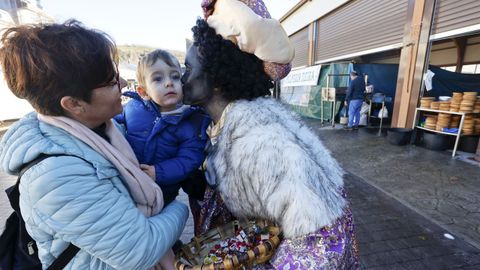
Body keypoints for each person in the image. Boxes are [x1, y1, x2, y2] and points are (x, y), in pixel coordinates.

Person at [180, 0, 360, 268]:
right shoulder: (220, 126)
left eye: (188, 69)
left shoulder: (260, 141)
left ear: (217, 80)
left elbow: (327, 235)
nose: (181, 78)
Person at [0, 20, 188, 269]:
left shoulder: (105, 129)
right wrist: (179, 208)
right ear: (74, 104)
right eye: (111, 82)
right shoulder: (55, 177)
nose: (122, 84)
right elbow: (140, 249)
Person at [115, 49, 209, 232]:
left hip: (162, 189)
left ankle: (167, 249)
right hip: (129, 183)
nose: (168, 83)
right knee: (129, 225)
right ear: (143, 91)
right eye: (157, 79)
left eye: (175, 77)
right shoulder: (133, 109)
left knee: (157, 228)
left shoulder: (190, 121)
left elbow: (189, 159)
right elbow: (114, 126)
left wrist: (159, 172)